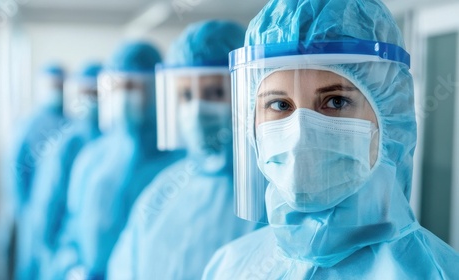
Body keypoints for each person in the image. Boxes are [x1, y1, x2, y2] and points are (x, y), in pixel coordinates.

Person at [202, 0, 459, 279]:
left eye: (336, 101)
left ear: (391, 118)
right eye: (279, 105)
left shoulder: (437, 273)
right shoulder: (229, 266)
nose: (300, 134)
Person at [107, 20, 260, 280]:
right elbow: (124, 267)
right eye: (186, 95)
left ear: (249, 92)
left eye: (214, 92)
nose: (197, 109)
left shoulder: (270, 197)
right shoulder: (164, 190)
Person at [46, 41, 184, 280]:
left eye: (134, 87)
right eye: (119, 87)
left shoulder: (177, 163)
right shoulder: (92, 158)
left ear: (154, 90)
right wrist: (72, 268)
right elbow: (71, 227)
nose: (124, 97)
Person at [15, 61, 103, 280]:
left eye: (97, 93)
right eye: (86, 92)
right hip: (61, 247)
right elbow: (46, 201)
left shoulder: (112, 143)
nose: (92, 99)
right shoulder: (68, 143)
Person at [0, 63, 67, 280]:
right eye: (51, 85)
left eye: (59, 85)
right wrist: (26, 207)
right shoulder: (28, 126)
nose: (56, 90)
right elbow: (14, 171)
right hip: (30, 213)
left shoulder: (72, 125)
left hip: (59, 217)